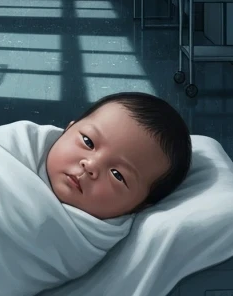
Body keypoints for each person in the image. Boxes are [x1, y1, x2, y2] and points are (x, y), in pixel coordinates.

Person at [44, 91, 192, 220]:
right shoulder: (24, 145)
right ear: (68, 128)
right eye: (88, 142)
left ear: (140, 207)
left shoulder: (100, 237)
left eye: (117, 175)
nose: (91, 165)